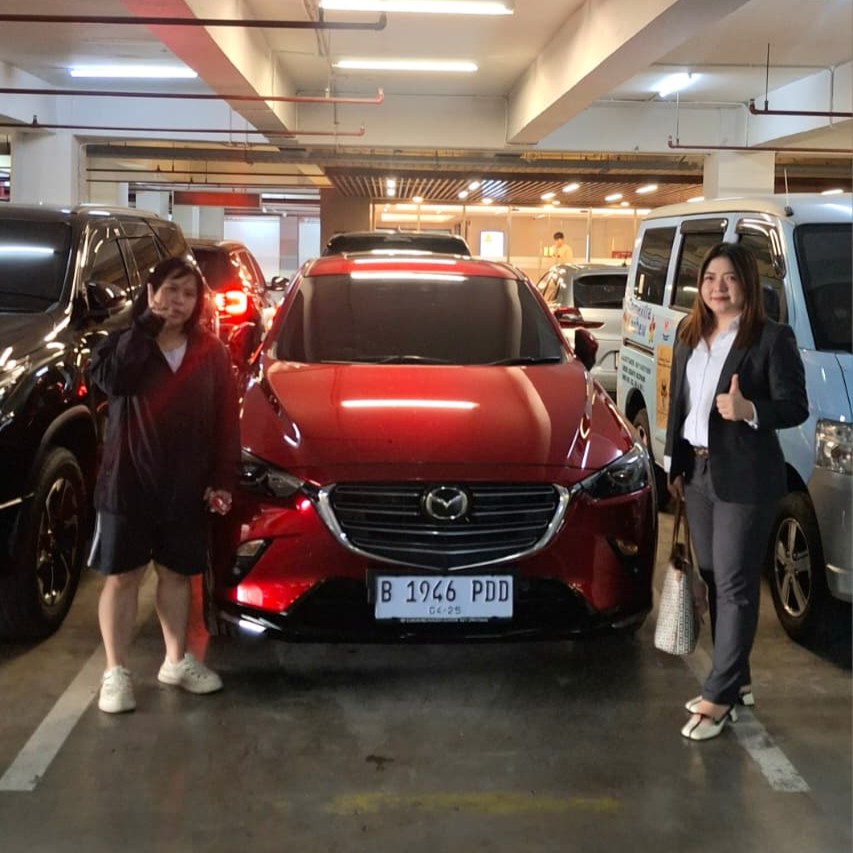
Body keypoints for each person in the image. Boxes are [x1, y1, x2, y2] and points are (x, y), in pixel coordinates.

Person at [664, 242, 807, 741]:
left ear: (747, 283)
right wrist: (675, 464)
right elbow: (679, 406)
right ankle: (738, 679)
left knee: (735, 584)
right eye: (709, 278)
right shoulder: (690, 335)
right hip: (698, 473)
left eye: (728, 278)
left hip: (746, 478)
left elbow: (794, 405)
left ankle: (719, 695)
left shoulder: (771, 338)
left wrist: (750, 411)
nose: (717, 287)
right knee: (710, 574)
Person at [89, 256, 240, 714]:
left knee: (177, 574)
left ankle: (176, 661)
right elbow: (114, 380)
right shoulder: (121, 342)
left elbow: (225, 422)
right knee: (123, 577)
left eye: (189, 294)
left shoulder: (210, 352)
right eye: (171, 290)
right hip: (127, 483)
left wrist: (222, 479)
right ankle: (115, 671)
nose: (179, 301)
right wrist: (145, 327)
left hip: (185, 486)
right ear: (151, 291)